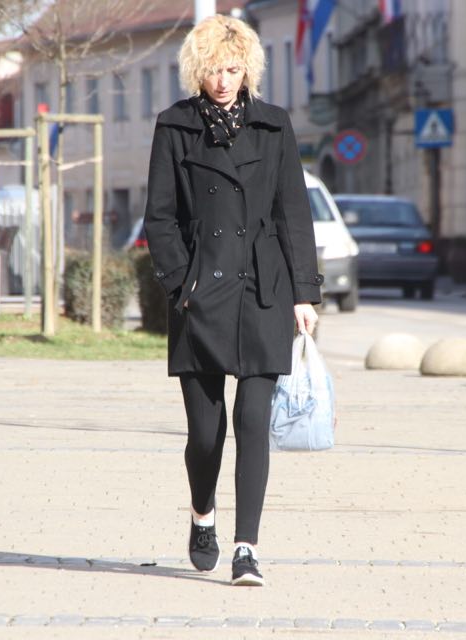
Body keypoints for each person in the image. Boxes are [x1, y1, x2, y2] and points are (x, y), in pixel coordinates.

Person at [143, 14, 323, 587]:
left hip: (263, 289)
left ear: (248, 70)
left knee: (252, 420)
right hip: (200, 295)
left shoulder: (273, 125)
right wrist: (181, 285)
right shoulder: (175, 126)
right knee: (205, 433)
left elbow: (293, 212)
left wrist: (305, 293)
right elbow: (160, 217)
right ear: (197, 71)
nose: (223, 81)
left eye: (233, 69)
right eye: (214, 70)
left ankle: (247, 548)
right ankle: (203, 515)